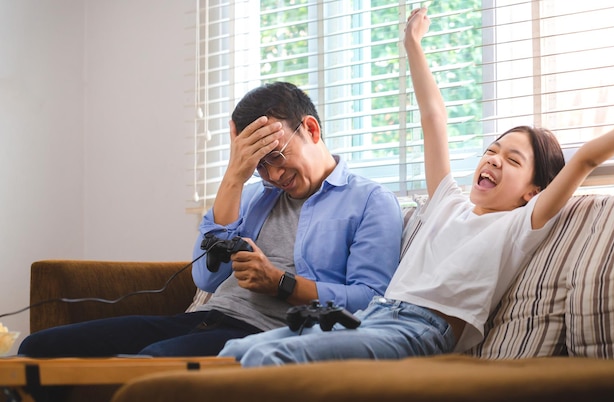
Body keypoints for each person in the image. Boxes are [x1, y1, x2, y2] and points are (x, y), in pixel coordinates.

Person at [217, 7, 614, 367]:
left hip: (419, 330)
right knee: (236, 352)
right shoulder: (448, 201)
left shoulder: (521, 225)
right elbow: (434, 117)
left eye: (513, 160)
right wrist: (412, 43)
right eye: (492, 150)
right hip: (372, 317)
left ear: (532, 192)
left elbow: (587, 158)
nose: (494, 159)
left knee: (272, 357)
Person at [18, 81, 403, 358]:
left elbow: (371, 300)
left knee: (152, 362)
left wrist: (282, 284)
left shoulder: (369, 201)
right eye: (257, 166)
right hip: (205, 318)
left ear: (312, 130)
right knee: (39, 347)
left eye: (275, 157)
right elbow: (206, 278)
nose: (271, 176)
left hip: (268, 334)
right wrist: (235, 176)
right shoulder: (252, 197)